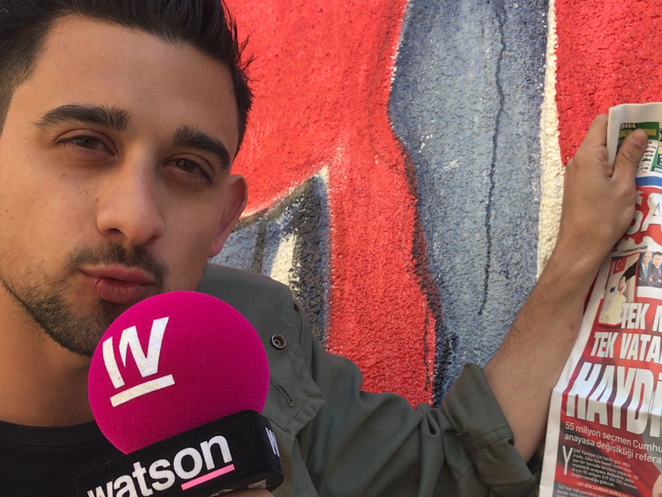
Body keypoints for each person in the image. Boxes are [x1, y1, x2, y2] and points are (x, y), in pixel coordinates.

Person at [0, 1, 648, 496]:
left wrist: (579, 250)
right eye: (85, 143)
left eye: (187, 167)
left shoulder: (252, 334)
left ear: (224, 217)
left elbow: (449, 466)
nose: (136, 217)